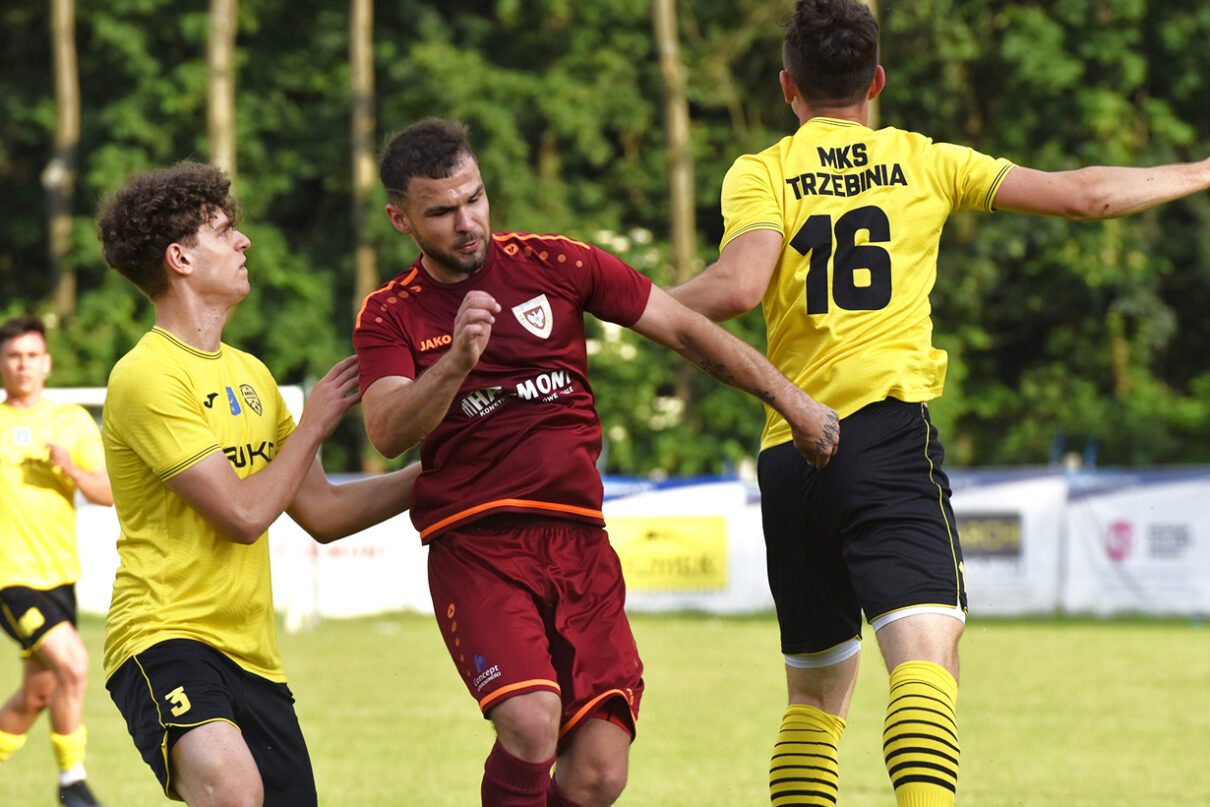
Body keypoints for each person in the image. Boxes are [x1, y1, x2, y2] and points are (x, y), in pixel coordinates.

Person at [670, 2, 1210, 806]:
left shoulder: (761, 170)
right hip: (884, 441)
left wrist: (629, 305)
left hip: (790, 451)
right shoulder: (923, 160)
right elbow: (1086, 197)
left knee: (814, 697)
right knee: (925, 662)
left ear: (787, 87)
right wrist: (1201, 171)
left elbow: (739, 286)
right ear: (876, 83)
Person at [353, 117, 838, 807]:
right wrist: (455, 363)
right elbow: (386, 429)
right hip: (479, 547)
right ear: (400, 219)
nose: (467, 222)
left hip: (580, 543)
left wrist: (792, 401)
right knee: (530, 720)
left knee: (599, 774)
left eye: (475, 198)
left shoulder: (558, 263)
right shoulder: (390, 313)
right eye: (441, 212)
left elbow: (685, 328)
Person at [94, 161, 421, 806]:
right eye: (224, 231)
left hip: (254, 657)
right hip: (164, 637)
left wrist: (437, 476)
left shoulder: (252, 374)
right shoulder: (147, 376)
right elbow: (243, 516)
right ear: (180, 258)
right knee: (235, 793)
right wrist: (314, 424)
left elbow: (323, 513)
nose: (244, 241)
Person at [0, 316, 112, 807]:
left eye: (31, 355)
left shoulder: (71, 421)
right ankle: (72, 784)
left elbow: (108, 492)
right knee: (74, 664)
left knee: (38, 696)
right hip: (10, 579)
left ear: (46, 362)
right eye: (13, 356)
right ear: (1, 363)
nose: (23, 365)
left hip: (60, 578)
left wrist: (72, 471)